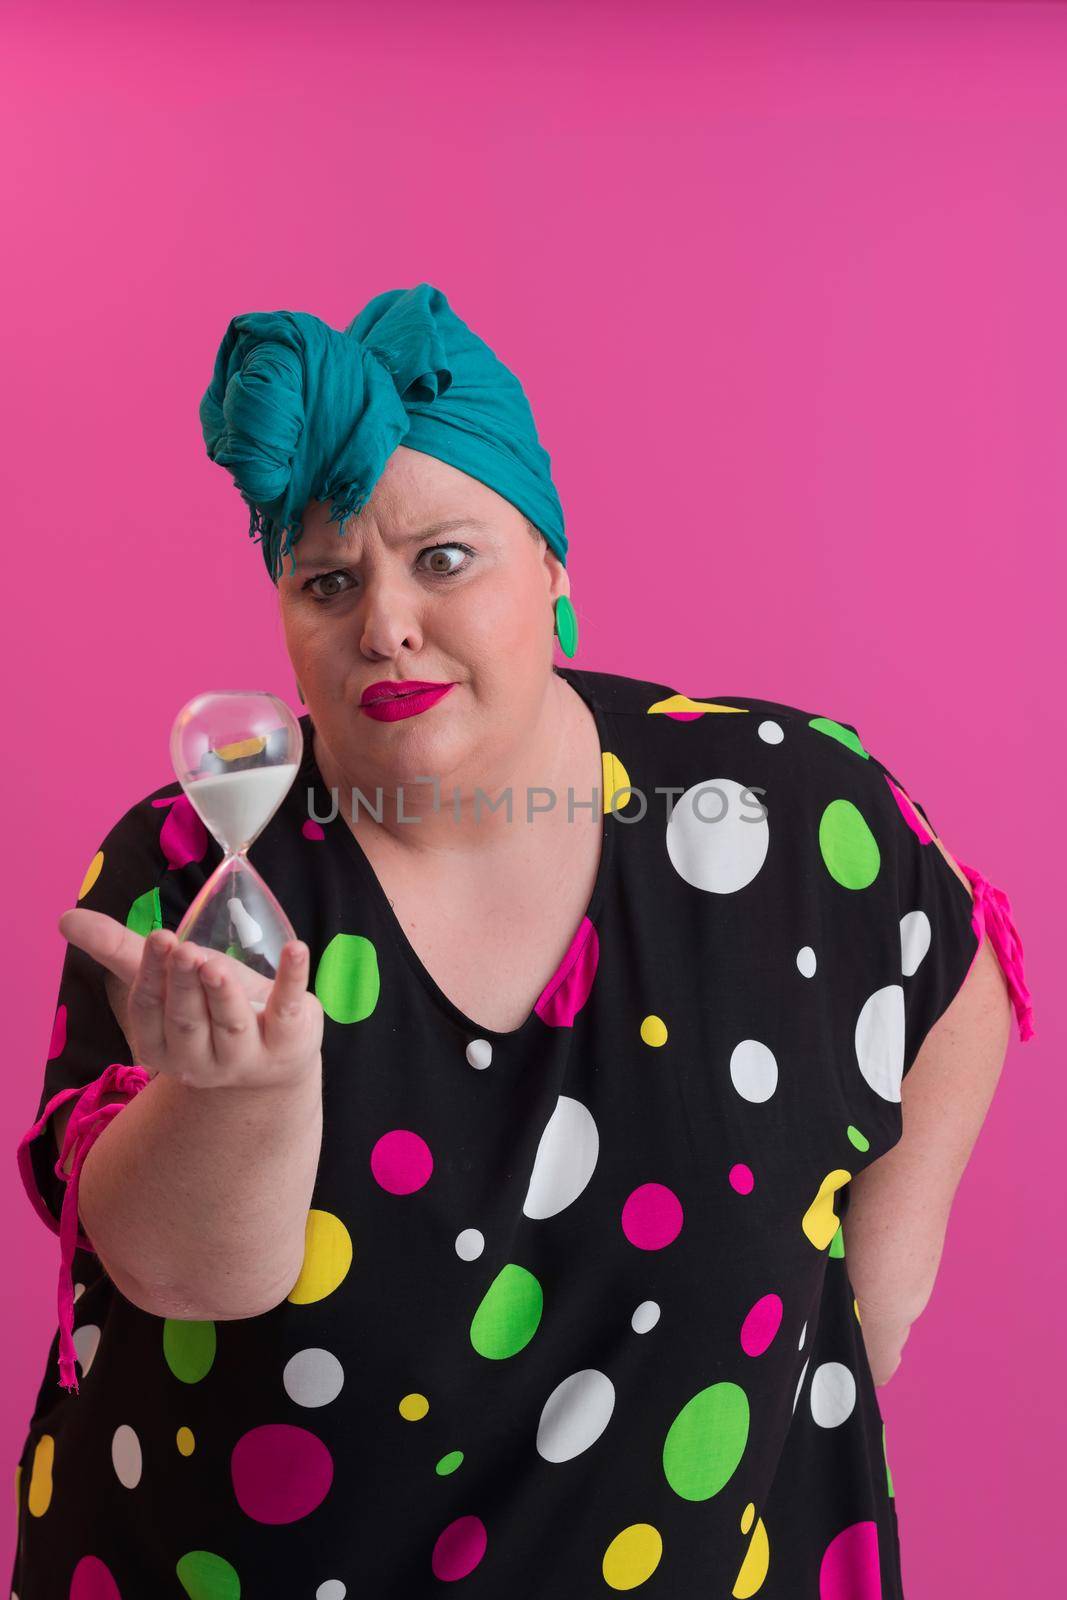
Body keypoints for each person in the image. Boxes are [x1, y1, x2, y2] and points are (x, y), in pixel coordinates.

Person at [13, 283, 1034, 1598]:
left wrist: (876, 1292)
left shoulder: (781, 809)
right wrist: (239, 1094)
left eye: (443, 559)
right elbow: (177, 1270)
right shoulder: (194, 871)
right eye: (328, 579)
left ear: (552, 565)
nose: (383, 623)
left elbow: (949, 947)